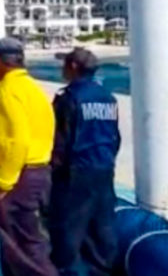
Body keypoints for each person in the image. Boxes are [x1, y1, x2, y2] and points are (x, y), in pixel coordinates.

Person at [0, 37, 57, 276]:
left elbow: (18, 140)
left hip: (19, 176)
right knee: (20, 241)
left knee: (23, 244)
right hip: (39, 171)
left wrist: (5, 181)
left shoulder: (8, 92)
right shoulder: (33, 89)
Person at [48, 48, 120, 276]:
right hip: (104, 169)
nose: (62, 69)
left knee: (66, 229)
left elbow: (59, 140)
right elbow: (115, 137)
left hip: (75, 172)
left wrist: (52, 172)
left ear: (74, 67)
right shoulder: (108, 98)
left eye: (65, 64)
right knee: (101, 229)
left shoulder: (68, 99)